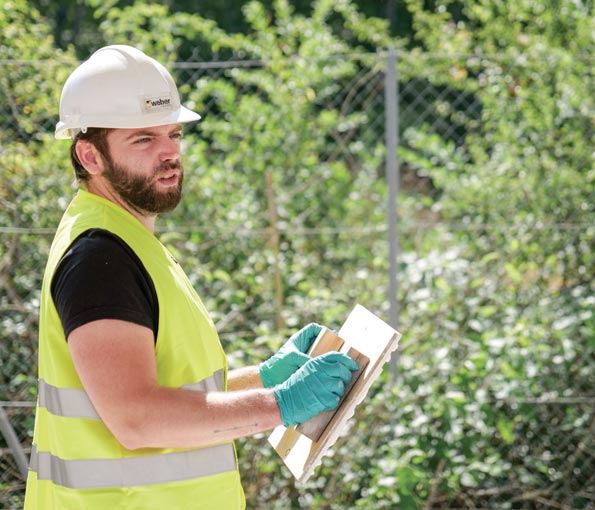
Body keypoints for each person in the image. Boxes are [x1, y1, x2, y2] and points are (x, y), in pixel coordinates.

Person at [24, 44, 359, 510]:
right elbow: (136, 417)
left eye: (174, 134)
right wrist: (280, 403)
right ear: (90, 155)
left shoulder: (130, 242)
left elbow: (171, 398)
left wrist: (262, 381)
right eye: (143, 139)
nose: (169, 153)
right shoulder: (99, 258)